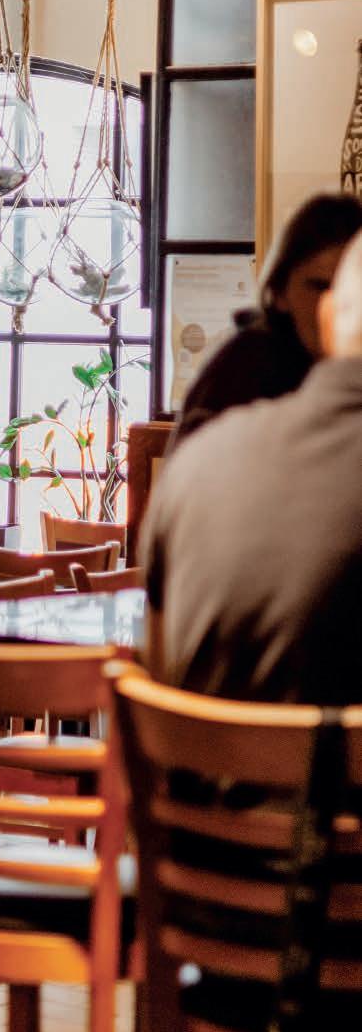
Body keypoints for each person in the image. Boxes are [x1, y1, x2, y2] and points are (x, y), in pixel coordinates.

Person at [143, 229, 362, 703]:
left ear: (328, 320)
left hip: (204, 744)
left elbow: (159, 678)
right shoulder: (249, 365)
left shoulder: (196, 463)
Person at [173, 192, 362, 447]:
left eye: (351, 289)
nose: (336, 305)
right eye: (320, 287)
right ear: (280, 292)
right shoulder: (242, 369)